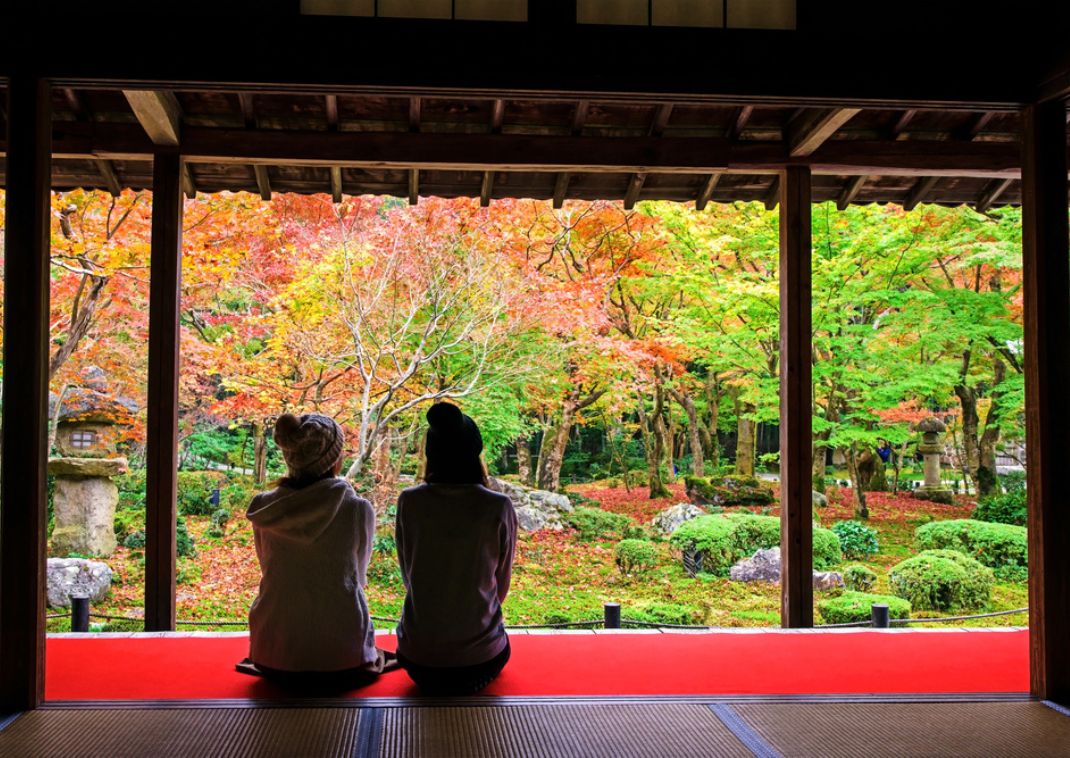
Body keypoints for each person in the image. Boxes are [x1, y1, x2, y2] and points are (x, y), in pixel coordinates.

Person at [237, 412, 395, 688]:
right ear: (334, 459)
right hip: (342, 656)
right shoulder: (357, 509)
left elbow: (267, 566)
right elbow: (358, 576)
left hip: (272, 651)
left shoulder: (265, 507)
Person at [394, 402, 518, 696]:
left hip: (418, 661)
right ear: (474, 452)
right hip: (481, 661)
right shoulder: (497, 506)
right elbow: (501, 585)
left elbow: (408, 572)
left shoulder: (409, 502)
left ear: (431, 453)